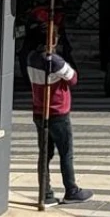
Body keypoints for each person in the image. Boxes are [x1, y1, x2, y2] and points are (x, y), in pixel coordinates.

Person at [27, 19, 93, 206]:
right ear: (52, 41)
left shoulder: (31, 57)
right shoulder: (54, 61)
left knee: (44, 153)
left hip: (39, 111)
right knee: (66, 152)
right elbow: (73, 78)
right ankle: (71, 190)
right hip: (57, 112)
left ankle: (45, 193)